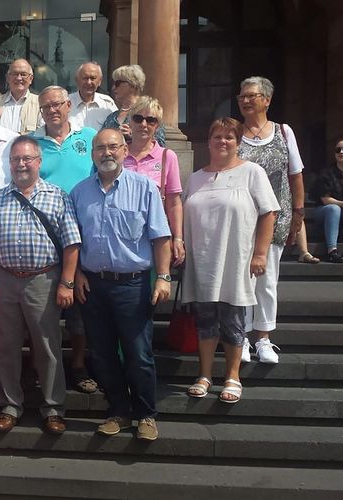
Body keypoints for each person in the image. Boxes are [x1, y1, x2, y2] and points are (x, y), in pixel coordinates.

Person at [0, 135, 81, 436]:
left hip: (43, 280)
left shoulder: (57, 196)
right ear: (9, 163)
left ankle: (53, 408)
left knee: (47, 347)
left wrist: (67, 283)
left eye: (27, 158)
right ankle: (9, 406)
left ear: (39, 162)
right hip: (4, 279)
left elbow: (72, 244)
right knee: (4, 348)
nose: (21, 164)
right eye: (16, 159)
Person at [71, 128, 172, 441]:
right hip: (93, 286)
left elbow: (161, 237)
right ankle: (118, 411)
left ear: (125, 151)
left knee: (138, 352)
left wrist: (164, 276)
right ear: (92, 154)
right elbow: (71, 241)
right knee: (101, 352)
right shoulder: (79, 192)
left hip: (132, 285)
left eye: (113, 147)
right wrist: (75, 275)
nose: (107, 153)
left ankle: (146, 415)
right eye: (100, 148)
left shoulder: (144, 188)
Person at [182, 118, 279, 404]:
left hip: (236, 259)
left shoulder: (252, 172)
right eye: (217, 136)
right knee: (206, 321)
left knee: (233, 321)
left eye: (229, 137)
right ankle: (204, 374)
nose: (222, 142)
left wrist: (260, 253)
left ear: (238, 142)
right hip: (202, 262)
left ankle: (233, 376)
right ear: (208, 141)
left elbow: (269, 213)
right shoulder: (195, 178)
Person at [30, 85, 98, 393]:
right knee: (41, 311)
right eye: (46, 107)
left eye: (58, 104)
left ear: (68, 105)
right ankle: (40, 367)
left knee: (80, 311)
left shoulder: (88, 138)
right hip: (43, 236)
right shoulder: (32, 143)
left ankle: (79, 364)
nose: (53, 110)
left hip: (84, 235)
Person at [236, 76, 306, 364]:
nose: (245, 100)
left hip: (276, 217)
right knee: (240, 281)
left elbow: (296, 174)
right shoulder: (234, 131)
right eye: (242, 96)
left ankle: (263, 338)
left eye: (252, 95)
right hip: (240, 218)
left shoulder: (283, 132)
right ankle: (239, 336)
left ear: (267, 99)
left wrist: (299, 215)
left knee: (266, 281)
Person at [124, 96, 185, 266]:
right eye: (138, 118)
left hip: (155, 237)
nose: (144, 124)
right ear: (130, 121)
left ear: (157, 125)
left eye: (150, 120)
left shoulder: (167, 157)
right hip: (121, 235)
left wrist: (178, 238)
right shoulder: (119, 154)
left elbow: (174, 202)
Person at [101, 65, 166, 146]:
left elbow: (160, 144)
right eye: (112, 83)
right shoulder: (112, 117)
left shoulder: (149, 112)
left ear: (132, 85)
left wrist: (135, 136)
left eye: (117, 83)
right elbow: (101, 141)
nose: (113, 88)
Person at [0, 58, 43, 134]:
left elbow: (42, 134)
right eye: (15, 74)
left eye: (23, 74)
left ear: (31, 79)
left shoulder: (40, 103)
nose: (19, 78)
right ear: (8, 78)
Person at [69, 62, 117, 130]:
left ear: (100, 81)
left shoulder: (107, 103)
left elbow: (116, 129)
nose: (89, 82)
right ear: (77, 80)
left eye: (93, 78)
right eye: (85, 78)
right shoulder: (66, 103)